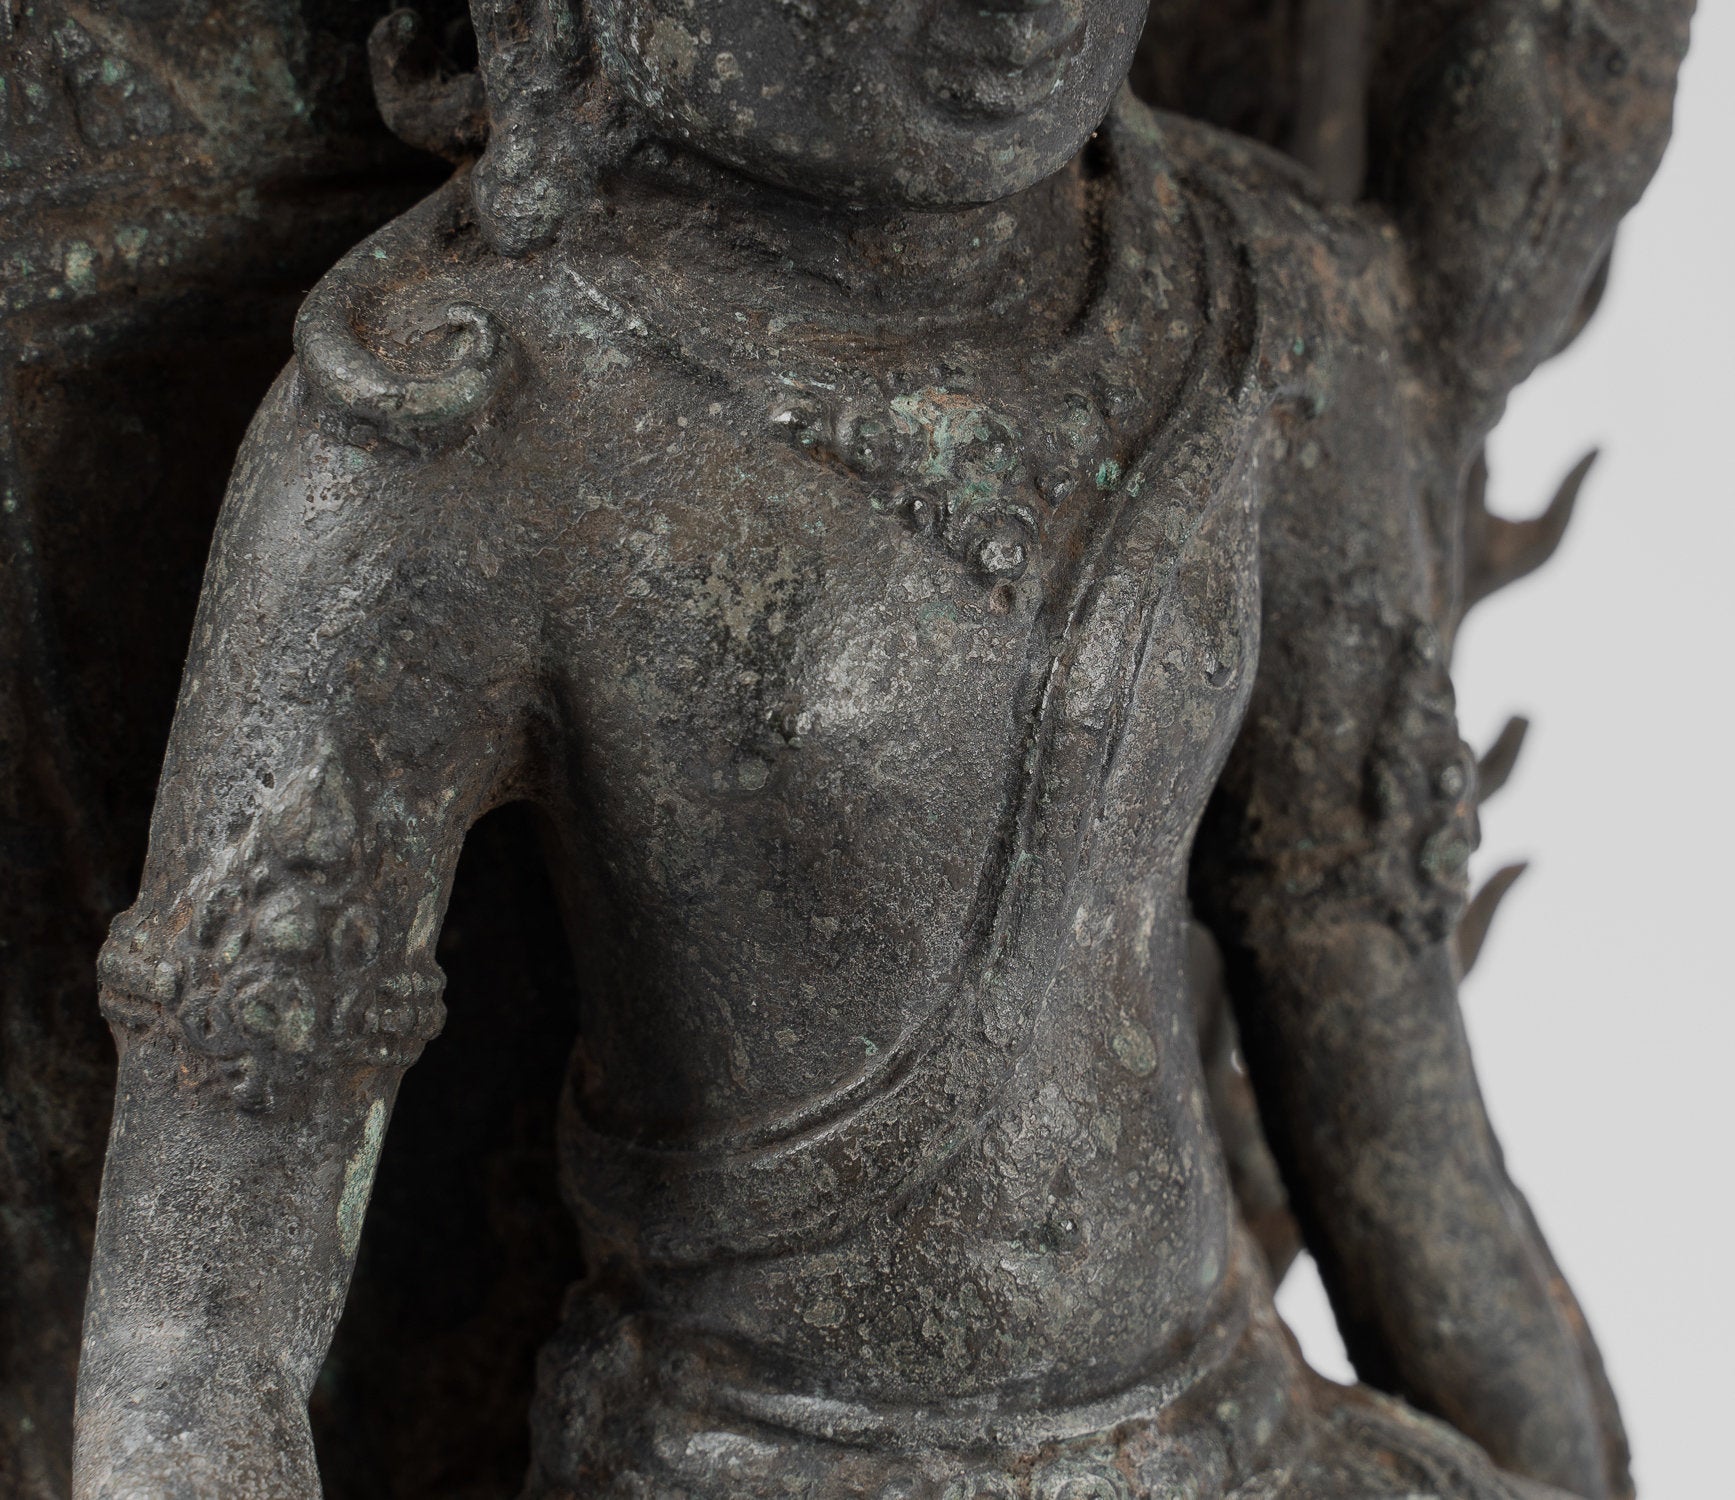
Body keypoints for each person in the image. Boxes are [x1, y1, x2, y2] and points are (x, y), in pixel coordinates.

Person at [73, 1, 1689, 1495]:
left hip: (1236, 1434)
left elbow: (1417, 1157)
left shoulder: (1256, 308)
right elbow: (191, 1358)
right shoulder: (458, 428)